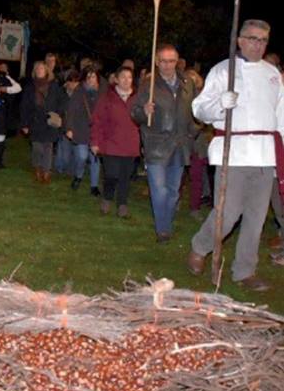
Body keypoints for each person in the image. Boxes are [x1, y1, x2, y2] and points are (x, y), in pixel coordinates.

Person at [188, 19, 284, 291]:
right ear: (240, 40)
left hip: (264, 155)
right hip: (234, 153)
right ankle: (200, 246)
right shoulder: (223, 70)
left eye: (263, 40)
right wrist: (221, 104)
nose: (258, 44)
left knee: (255, 218)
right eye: (253, 38)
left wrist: (281, 154)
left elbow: (281, 115)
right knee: (227, 214)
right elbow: (199, 108)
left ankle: (244, 270)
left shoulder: (272, 74)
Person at [131, 43, 197, 241]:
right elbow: (134, 113)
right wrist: (144, 111)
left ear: (177, 62)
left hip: (179, 145)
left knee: (173, 191)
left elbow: (195, 111)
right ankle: (163, 229)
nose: (168, 65)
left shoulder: (187, 83)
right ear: (157, 62)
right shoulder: (148, 85)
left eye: (171, 61)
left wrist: (195, 131)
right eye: (163, 61)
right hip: (157, 144)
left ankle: (165, 223)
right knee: (159, 190)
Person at [90, 65, 140, 217]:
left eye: (129, 77)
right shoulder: (107, 98)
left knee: (125, 176)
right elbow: (97, 121)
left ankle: (122, 204)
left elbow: (144, 120)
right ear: (116, 79)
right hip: (111, 143)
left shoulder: (138, 99)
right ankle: (107, 198)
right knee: (111, 174)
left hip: (130, 143)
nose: (126, 80)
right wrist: (95, 141)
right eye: (123, 77)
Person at [20, 61, 65, 183]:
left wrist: (58, 114)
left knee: (48, 147)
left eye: (42, 68)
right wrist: (24, 124)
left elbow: (62, 101)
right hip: (35, 121)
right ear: (35, 71)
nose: (40, 70)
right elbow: (24, 106)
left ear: (46, 71)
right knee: (37, 147)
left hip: (50, 121)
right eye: (37, 69)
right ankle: (37, 167)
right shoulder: (30, 87)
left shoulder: (54, 85)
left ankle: (46, 171)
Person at [66, 67, 101, 195]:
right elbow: (71, 111)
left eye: (94, 77)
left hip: (96, 130)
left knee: (95, 158)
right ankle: (78, 175)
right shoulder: (79, 92)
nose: (91, 80)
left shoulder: (102, 93)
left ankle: (94, 186)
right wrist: (69, 128)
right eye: (89, 77)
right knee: (82, 156)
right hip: (81, 129)